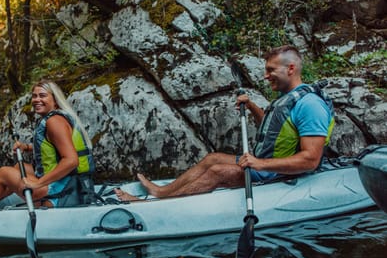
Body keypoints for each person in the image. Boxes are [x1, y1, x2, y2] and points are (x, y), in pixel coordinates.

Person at [115, 45, 335, 201]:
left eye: (270, 70)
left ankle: (153, 206)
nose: (266, 76)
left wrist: (260, 164)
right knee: (214, 157)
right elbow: (270, 129)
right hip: (268, 164)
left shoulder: (310, 105)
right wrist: (250, 106)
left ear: (291, 69)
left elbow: (310, 160)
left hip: (279, 172)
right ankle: (160, 192)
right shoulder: (287, 98)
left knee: (218, 171)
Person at [0, 79, 95, 209]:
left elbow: (72, 161)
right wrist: (26, 147)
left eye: (42, 95)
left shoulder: (55, 122)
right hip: (75, 186)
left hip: (65, 193)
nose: (37, 100)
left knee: (4, 172)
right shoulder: (57, 118)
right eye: (34, 96)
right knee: (20, 167)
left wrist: (38, 183)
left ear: (55, 100)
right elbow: (55, 147)